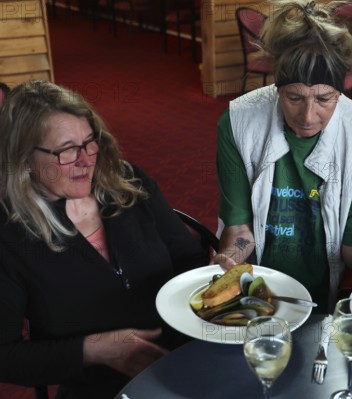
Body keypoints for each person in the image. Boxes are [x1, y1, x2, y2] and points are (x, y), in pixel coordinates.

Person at [0, 80, 208, 398]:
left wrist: (208, 284)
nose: (86, 160)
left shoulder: (129, 183)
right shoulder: (9, 236)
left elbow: (189, 256)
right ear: (25, 158)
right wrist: (95, 350)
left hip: (185, 360)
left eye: (89, 142)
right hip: (101, 387)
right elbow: (5, 356)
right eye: (67, 151)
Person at [213, 0, 352, 312]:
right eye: (294, 97)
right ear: (276, 88)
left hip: (322, 297)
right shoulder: (239, 122)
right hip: (255, 290)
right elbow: (241, 231)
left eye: (324, 99)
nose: (308, 115)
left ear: (342, 91)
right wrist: (228, 260)